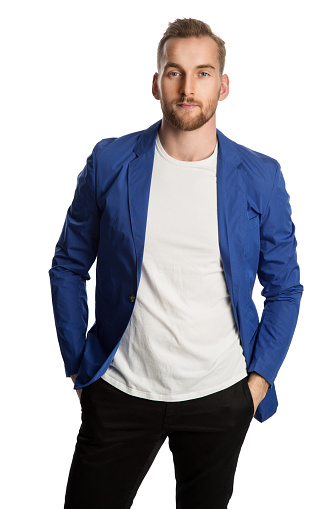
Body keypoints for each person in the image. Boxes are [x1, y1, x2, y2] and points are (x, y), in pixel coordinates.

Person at [49, 18, 303, 509]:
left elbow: (285, 288)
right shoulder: (110, 161)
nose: (188, 88)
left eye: (203, 73)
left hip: (220, 394)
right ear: (155, 82)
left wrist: (257, 382)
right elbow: (67, 265)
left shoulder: (261, 177)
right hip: (120, 390)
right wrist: (79, 368)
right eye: (174, 72)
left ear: (223, 85)